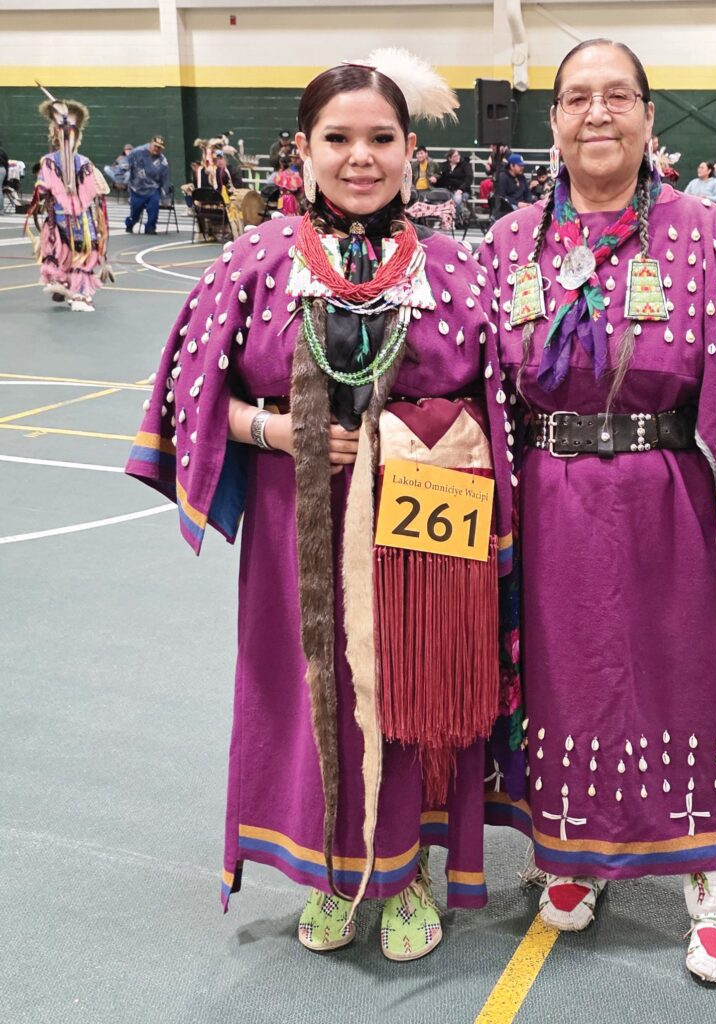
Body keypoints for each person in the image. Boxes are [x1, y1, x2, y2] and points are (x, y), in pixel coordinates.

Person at [125, 49, 514, 964]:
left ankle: (410, 871)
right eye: (337, 138)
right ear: (302, 149)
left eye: (381, 138)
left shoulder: (456, 270)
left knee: (418, 690)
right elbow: (188, 394)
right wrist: (278, 431)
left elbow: (503, 399)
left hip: (425, 524)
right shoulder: (252, 261)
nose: (360, 157)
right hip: (297, 524)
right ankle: (338, 871)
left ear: (411, 151)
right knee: (316, 692)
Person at [478, 38, 716, 985]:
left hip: (664, 499)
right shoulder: (511, 241)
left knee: (684, 680)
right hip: (541, 501)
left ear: (646, 116)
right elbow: (467, 382)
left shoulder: (702, 232)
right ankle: (569, 854)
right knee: (560, 680)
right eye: (576, 99)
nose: (596, 114)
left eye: (617, 97)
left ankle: (714, 883)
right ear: (552, 120)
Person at [25, 89, 111, 312]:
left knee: (77, 254)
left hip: (76, 219)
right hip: (66, 219)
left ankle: (77, 291)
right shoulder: (59, 162)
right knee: (64, 253)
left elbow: (95, 191)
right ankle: (68, 287)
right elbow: (45, 189)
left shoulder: (78, 163)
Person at [125, 135, 171, 234]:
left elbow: (165, 179)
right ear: (151, 144)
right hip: (137, 189)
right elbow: (127, 165)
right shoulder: (137, 152)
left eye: (159, 148)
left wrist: (165, 197)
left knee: (153, 209)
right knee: (135, 215)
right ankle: (130, 223)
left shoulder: (162, 161)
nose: (157, 149)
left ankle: (150, 227)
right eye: (155, 146)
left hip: (153, 190)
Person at [494, 153, 531, 217]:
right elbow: (502, 196)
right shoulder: (503, 177)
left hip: (522, 206)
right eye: (519, 166)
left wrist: (528, 203)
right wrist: (517, 204)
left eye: (522, 165)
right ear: (512, 166)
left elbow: (527, 192)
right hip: (508, 208)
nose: (522, 167)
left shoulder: (522, 177)